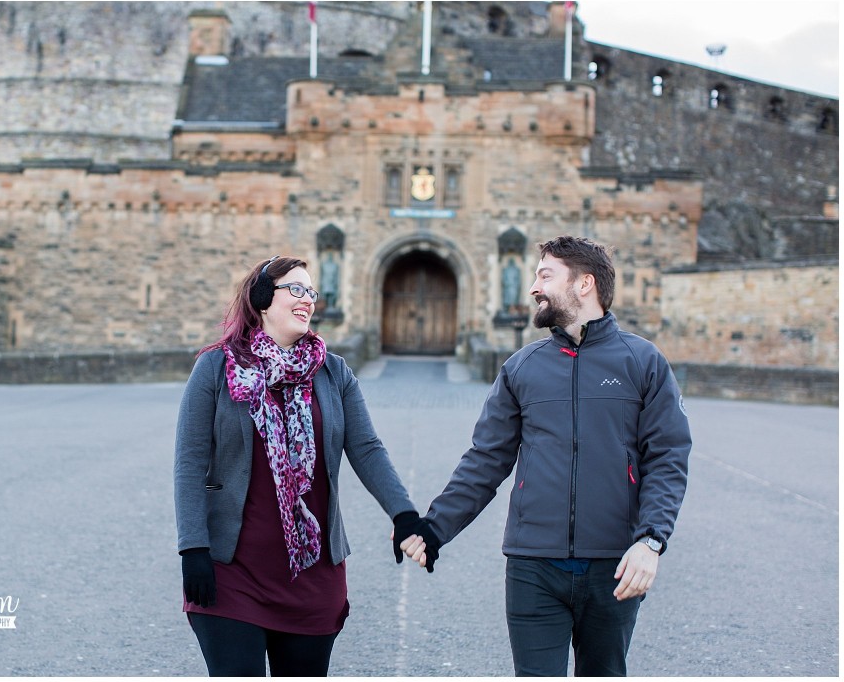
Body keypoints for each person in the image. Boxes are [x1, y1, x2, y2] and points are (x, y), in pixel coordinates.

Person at [401, 235, 691, 677]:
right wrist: (436, 527)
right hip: (532, 566)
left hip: (614, 565)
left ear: (584, 284)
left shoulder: (642, 362)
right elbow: (486, 459)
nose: (534, 286)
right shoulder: (521, 367)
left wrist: (651, 540)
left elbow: (668, 457)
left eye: (544, 275)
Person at [174, 255, 423, 677]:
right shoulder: (216, 367)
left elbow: (366, 447)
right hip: (232, 574)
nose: (307, 299)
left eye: (312, 292)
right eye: (296, 289)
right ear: (262, 300)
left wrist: (404, 515)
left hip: (312, 578)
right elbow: (190, 461)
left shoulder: (333, 372)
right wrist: (193, 547)